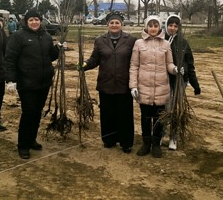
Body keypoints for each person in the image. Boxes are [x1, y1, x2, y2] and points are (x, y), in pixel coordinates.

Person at [4, 9, 59, 159]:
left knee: (37, 113)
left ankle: (32, 139)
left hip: (43, 82)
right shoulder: (18, 37)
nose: (34, 22)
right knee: (28, 113)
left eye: (36, 19)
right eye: (31, 20)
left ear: (40, 21)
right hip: (26, 82)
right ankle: (23, 145)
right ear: (26, 22)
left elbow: (51, 56)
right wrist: (10, 79)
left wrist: (58, 48)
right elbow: (10, 58)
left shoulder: (46, 37)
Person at [82, 11, 137, 153]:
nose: (114, 25)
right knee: (107, 114)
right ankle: (109, 140)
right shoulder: (100, 40)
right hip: (106, 83)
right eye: (111, 23)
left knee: (124, 114)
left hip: (124, 84)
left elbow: (136, 61)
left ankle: (126, 142)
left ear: (122, 24)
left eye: (117, 22)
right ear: (107, 25)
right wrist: (85, 65)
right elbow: (95, 59)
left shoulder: (131, 40)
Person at [129, 15, 177, 158]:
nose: (153, 28)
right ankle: (146, 143)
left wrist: (174, 69)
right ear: (146, 27)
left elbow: (169, 63)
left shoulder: (166, 44)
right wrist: (133, 86)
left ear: (160, 27)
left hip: (162, 87)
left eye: (156, 26)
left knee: (159, 118)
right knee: (145, 117)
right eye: (150, 25)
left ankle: (156, 144)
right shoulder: (139, 43)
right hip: (144, 87)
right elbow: (134, 66)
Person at [163, 15, 201, 150]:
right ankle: (161, 134)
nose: (173, 28)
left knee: (176, 109)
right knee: (164, 108)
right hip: (165, 80)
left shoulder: (183, 43)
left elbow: (190, 64)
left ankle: (173, 137)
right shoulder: (161, 40)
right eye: (170, 25)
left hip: (180, 81)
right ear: (166, 25)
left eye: (176, 26)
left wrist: (195, 85)